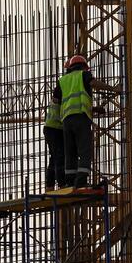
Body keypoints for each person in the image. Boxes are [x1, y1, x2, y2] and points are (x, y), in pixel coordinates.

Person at [55, 55, 99, 189]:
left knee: (70, 152)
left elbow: (56, 100)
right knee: (84, 150)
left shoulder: (62, 80)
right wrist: (114, 89)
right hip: (81, 116)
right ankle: (80, 181)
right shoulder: (84, 74)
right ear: (84, 66)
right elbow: (93, 83)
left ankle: (70, 181)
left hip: (67, 120)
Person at [44, 97, 66, 192]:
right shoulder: (62, 91)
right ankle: (62, 184)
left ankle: (49, 185)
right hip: (55, 128)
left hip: (52, 128)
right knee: (59, 157)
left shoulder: (62, 89)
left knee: (54, 158)